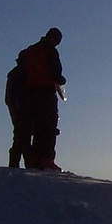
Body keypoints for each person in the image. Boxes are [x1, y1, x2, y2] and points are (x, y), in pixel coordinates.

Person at [16, 27, 66, 171]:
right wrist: (61, 80)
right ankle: (45, 160)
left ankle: (34, 159)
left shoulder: (30, 51)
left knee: (36, 127)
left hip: (28, 95)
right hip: (46, 93)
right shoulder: (50, 51)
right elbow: (55, 74)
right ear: (55, 40)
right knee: (48, 128)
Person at [4, 62, 29, 168]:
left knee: (21, 137)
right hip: (24, 109)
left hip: (19, 109)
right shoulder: (26, 72)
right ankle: (27, 165)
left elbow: (8, 97)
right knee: (23, 138)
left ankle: (15, 164)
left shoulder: (14, 74)